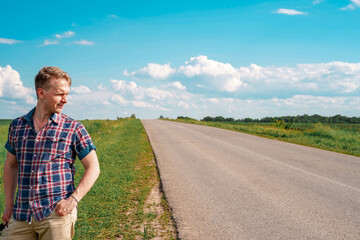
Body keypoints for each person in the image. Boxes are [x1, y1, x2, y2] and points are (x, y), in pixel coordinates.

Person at [1, 66, 100, 239]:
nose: (65, 100)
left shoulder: (73, 128)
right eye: (60, 94)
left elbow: (94, 167)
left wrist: (73, 200)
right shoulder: (17, 126)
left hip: (56, 214)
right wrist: (8, 204)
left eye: (67, 94)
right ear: (41, 93)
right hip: (21, 214)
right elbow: (10, 166)